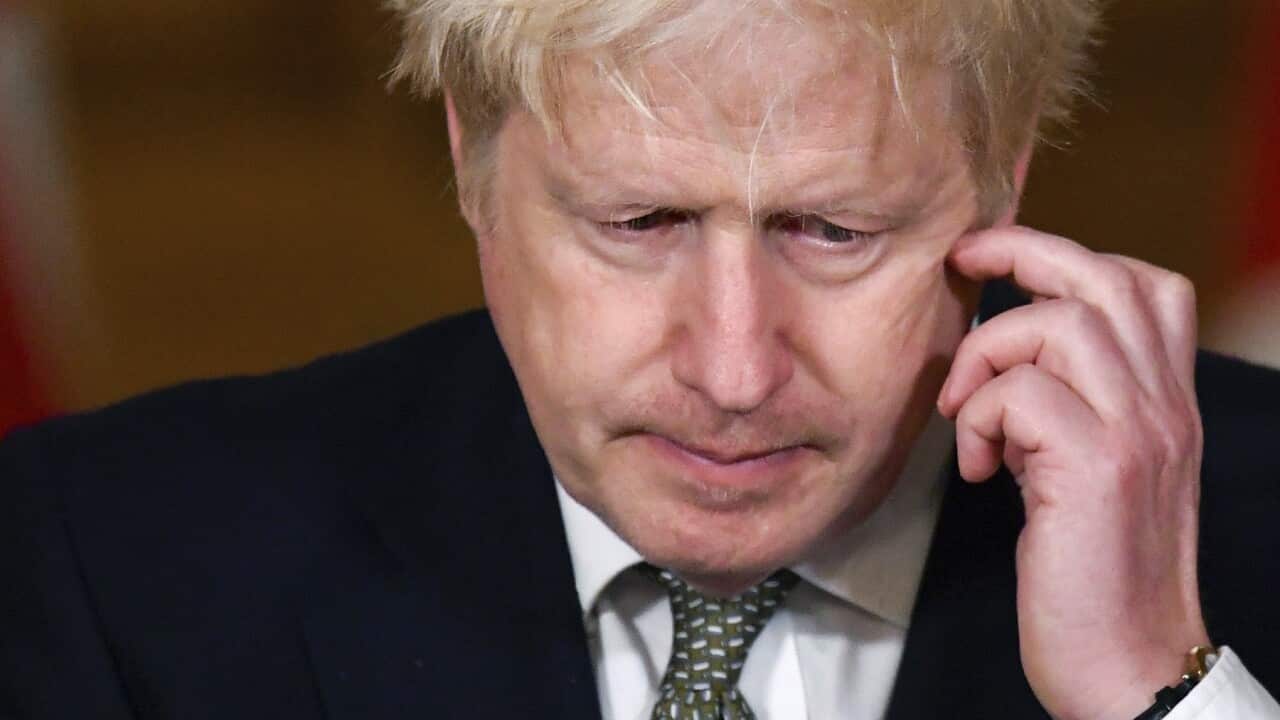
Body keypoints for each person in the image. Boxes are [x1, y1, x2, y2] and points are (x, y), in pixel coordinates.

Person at [3, 1, 1279, 718]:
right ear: (472, 159)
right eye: (639, 224)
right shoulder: (97, 558)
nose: (732, 370)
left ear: (1000, 185)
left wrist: (1161, 695)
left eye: (832, 232)